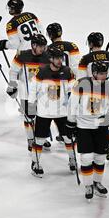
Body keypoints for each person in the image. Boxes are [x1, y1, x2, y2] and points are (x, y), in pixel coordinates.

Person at [67, 61, 109, 200]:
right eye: (101, 73)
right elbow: (72, 104)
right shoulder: (81, 84)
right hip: (83, 126)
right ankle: (88, 184)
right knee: (86, 157)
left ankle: (97, 182)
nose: (104, 76)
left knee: (100, 157)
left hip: (101, 126)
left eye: (105, 73)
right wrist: (71, 122)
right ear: (94, 73)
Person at [28, 46, 76, 177]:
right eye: (57, 58)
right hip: (44, 112)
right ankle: (35, 162)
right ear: (50, 59)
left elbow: (74, 88)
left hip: (62, 112)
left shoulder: (67, 71)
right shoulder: (42, 71)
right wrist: (31, 107)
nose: (60, 61)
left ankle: (72, 159)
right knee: (39, 139)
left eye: (61, 58)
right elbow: (33, 89)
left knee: (68, 137)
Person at [78, 32, 109, 160]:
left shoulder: (86, 59)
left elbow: (81, 81)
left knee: (91, 122)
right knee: (107, 121)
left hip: (91, 94)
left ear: (90, 43)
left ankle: (94, 145)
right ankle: (107, 148)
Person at [6, 34, 51, 151]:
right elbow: (13, 72)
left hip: (42, 95)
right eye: (40, 46)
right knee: (29, 118)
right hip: (27, 94)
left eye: (44, 46)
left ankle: (40, 138)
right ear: (34, 45)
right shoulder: (22, 56)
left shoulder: (48, 57)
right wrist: (12, 85)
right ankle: (31, 139)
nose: (43, 49)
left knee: (42, 118)